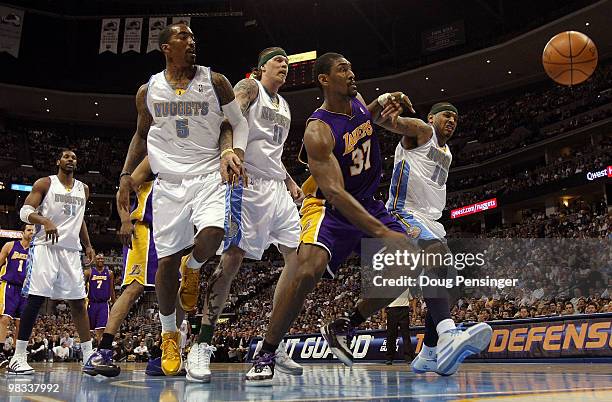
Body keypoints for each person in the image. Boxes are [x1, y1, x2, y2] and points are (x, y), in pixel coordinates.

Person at [245, 52, 412, 386]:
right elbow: (334, 192)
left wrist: (386, 101)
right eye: (342, 69)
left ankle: (345, 324)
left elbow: (368, 118)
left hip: (367, 201)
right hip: (330, 209)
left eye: (351, 67)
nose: (351, 74)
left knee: (411, 261)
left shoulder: (360, 103)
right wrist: (380, 231)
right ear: (324, 79)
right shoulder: (317, 130)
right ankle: (266, 351)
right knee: (307, 271)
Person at [117, 22, 247, 376]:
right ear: (165, 47)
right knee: (165, 264)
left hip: (208, 172)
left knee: (215, 232)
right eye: (183, 37)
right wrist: (125, 176)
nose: (192, 41)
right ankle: (169, 334)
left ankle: (194, 268)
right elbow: (141, 135)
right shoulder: (149, 91)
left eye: (193, 36)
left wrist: (232, 152)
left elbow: (238, 123)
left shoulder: (215, 81)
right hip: (169, 181)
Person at [185, 47, 303, 383]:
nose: (285, 65)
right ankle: (202, 344)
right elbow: (228, 121)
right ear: (263, 66)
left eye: (287, 63)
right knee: (233, 260)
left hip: (276, 188)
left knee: (298, 261)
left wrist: (290, 181)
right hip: (246, 182)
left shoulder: (286, 105)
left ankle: (274, 341)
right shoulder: (250, 88)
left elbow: (273, 153)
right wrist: (226, 153)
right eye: (279, 60)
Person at [382, 100, 492, 375]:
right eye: (446, 115)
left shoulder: (448, 152)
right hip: (404, 211)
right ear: (431, 118)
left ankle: (429, 353)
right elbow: (391, 124)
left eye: (455, 117)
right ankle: (446, 334)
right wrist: (387, 113)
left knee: (451, 286)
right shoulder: (422, 132)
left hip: (432, 220)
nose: (452, 120)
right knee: (436, 256)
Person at [87, 157, 185, 377]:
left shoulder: (189, 157)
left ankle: (167, 353)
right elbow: (123, 189)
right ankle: (102, 351)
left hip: (171, 233)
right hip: (144, 230)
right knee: (134, 288)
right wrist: (124, 220)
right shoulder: (155, 156)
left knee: (176, 292)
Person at [8, 150, 99, 376]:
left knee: (78, 303)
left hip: (70, 251)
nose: (71, 160)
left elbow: (80, 220)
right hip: (44, 247)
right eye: (66, 156)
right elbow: (24, 212)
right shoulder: (45, 183)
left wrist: (87, 245)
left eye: (74, 157)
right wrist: (44, 219)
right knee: (36, 299)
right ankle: (18, 358)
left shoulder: (83, 189)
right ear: (58, 161)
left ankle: (88, 356)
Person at [0, 224, 34, 368]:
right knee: (5, 319)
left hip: (25, 290)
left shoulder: (36, 251)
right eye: (29, 230)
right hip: (9, 286)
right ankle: (0, 352)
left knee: (21, 323)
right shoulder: (10, 245)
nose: (31, 232)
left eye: (34, 230)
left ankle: (17, 354)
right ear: (22, 232)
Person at [84, 253, 116, 343]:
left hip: (103, 304)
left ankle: (99, 348)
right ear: (95, 260)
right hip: (91, 303)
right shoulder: (88, 272)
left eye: (102, 259)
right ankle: (89, 347)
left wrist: (114, 303)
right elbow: (82, 286)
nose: (100, 260)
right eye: (98, 259)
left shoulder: (109, 273)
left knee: (101, 328)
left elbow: (112, 289)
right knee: (89, 328)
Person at [384, 290, 415, 365]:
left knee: (406, 335)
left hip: (404, 310)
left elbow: (412, 299)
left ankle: (409, 358)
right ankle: (389, 358)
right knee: (391, 335)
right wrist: (383, 314)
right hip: (392, 310)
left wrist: (414, 312)